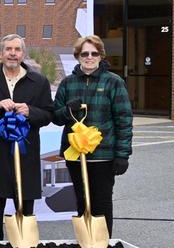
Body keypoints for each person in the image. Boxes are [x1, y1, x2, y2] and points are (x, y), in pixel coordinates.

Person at [0, 34, 53, 240]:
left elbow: (48, 114)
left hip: (26, 153)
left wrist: (30, 112)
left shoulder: (39, 81)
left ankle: (24, 246)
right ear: (0, 53)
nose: (12, 53)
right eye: (8, 49)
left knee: (25, 204)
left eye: (17, 49)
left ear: (23, 54)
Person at [52, 35, 132, 237]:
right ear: (78, 57)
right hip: (76, 155)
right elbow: (55, 117)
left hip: (103, 155)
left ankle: (103, 245)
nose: (89, 57)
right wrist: (67, 110)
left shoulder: (113, 82)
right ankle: (86, 243)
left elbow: (123, 119)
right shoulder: (68, 83)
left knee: (102, 201)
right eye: (84, 53)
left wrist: (122, 154)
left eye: (94, 53)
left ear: (101, 55)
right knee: (82, 199)